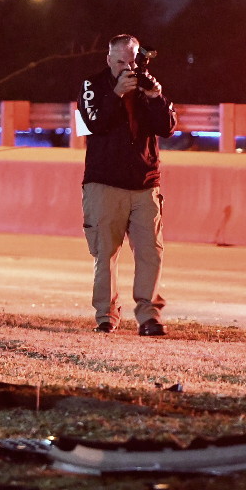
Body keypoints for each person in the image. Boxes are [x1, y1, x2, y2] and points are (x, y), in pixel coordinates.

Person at [76, 34, 177, 336]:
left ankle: (149, 317)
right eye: (120, 61)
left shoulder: (147, 85)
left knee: (150, 252)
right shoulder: (92, 86)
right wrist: (116, 95)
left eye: (132, 60)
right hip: (104, 182)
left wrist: (156, 98)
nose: (127, 67)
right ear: (108, 60)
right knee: (105, 253)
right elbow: (94, 123)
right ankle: (106, 316)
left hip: (145, 183)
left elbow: (168, 128)